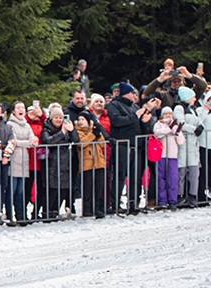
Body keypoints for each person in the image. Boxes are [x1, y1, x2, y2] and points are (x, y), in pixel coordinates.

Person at [107, 82, 158, 215]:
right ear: (125, 93)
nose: (134, 95)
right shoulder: (114, 105)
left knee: (135, 176)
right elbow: (117, 121)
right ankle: (115, 203)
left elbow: (139, 126)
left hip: (136, 145)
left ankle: (133, 202)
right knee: (120, 175)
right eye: (132, 93)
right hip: (122, 144)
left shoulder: (134, 106)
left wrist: (145, 120)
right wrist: (135, 116)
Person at [0, 102, 35, 223]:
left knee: (20, 191)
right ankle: (10, 215)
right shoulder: (10, 124)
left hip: (24, 160)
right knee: (11, 190)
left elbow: (33, 138)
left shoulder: (27, 125)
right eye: (18, 108)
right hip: (13, 159)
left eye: (23, 108)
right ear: (13, 111)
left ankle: (20, 215)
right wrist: (27, 143)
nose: (21, 110)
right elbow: (14, 141)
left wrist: (32, 141)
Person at [41, 107, 79, 219]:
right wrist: (62, 133)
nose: (58, 120)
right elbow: (48, 141)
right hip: (53, 163)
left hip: (66, 163)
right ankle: (47, 212)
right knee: (52, 189)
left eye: (60, 118)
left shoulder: (67, 128)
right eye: (56, 117)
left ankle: (55, 210)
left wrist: (72, 130)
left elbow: (76, 140)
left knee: (63, 189)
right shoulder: (47, 129)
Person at [76, 114, 108, 217]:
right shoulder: (78, 131)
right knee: (87, 187)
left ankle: (96, 208)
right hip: (87, 163)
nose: (81, 121)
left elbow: (102, 143)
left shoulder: (93, 130)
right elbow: (82, 143)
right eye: (79, 119)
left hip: (99, 161)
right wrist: (92, 135)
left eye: (83, 119)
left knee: (98, 187)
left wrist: (98, 135)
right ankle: (86, 209)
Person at [175, 87, 202, 208]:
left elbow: (198, 121)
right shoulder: (179, 108)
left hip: (193, 144)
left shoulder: (193, 109)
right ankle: (180, 195)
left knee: (194, 171)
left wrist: (200, 126)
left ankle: (192, 195)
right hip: (184, 142)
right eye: (193, 96)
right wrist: (193, 129)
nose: (195, 99)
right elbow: (180, 122)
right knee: (181, 171)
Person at [153, 106, 182, 210]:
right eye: (166, 113)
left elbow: (181, 141)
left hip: (172, 155)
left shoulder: (175, 126)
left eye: (170, 113)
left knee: (173, 178)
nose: (168, 115)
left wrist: (178, 132)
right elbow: (158, 134)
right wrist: (169, 129)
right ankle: (162, 200)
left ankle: (172, 200)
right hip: (161, 154)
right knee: (161, 178)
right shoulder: (158, 124)